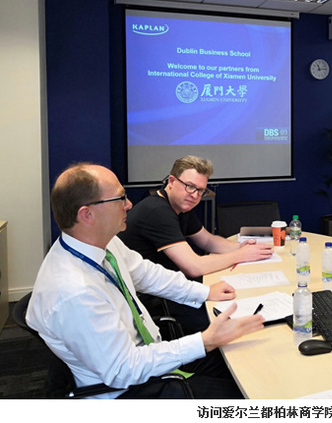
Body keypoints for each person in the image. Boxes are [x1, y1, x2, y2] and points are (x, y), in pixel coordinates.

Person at [26, 163, 265, 398]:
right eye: (120, 198)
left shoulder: (103, 242)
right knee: (245, 393)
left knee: (244, 362)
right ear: (87, 214)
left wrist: (203, 292)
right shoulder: (75, 293)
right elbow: (124, 369)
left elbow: (146, 273)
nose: (129, 204)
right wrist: (203, 341)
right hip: (131, 389)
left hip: (152, 355)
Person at [118, 155, 273, 334]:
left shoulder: (180, 205)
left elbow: (207, 240)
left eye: (200, 191)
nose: (195, 195)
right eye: (190, 186)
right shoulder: (157, 211)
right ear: (171, 181)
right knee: (230, 317)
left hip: (172, 286)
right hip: (156, 300)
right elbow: (194, 267)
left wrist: (241, 247)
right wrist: (241, 255)